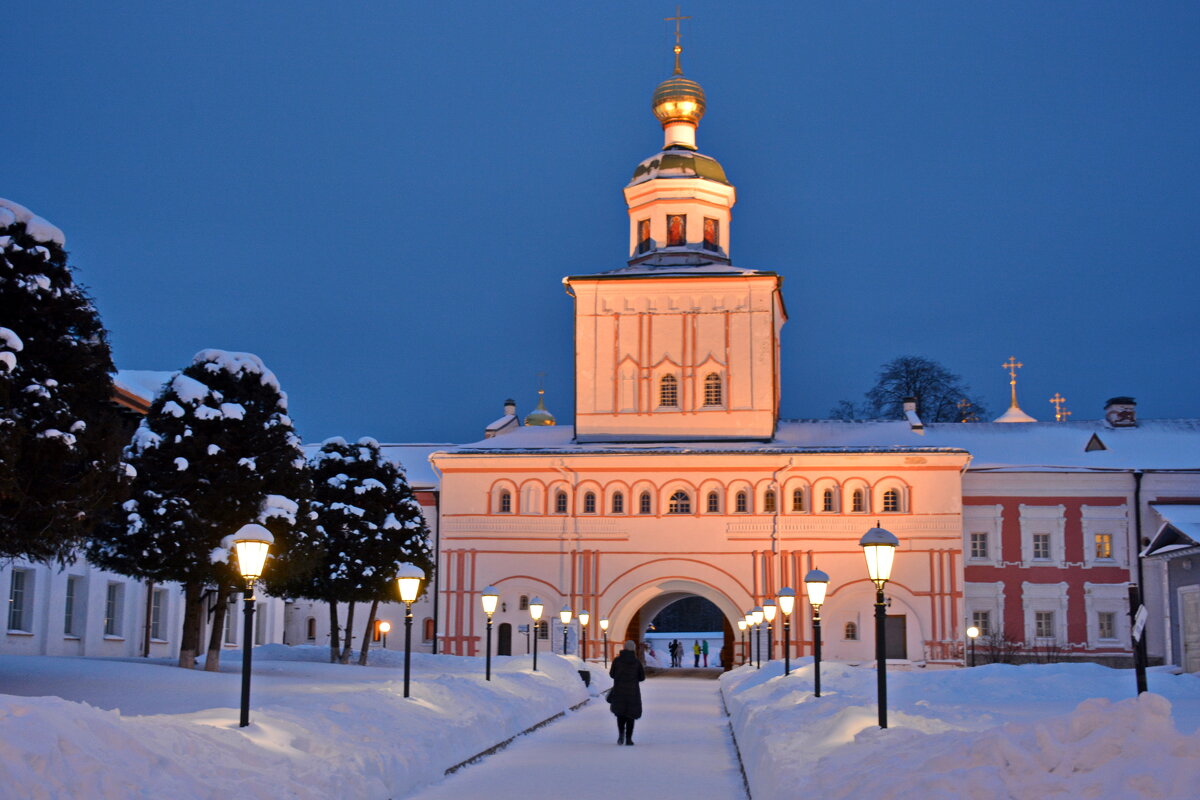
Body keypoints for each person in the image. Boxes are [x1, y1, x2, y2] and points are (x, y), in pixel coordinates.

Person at [608, 640, 645, 745]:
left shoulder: (617, 661)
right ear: (633, 648)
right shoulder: (636, 662)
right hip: (633, 693)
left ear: (624, 648)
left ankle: (620, 736)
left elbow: (612, 674)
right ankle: (629, 739)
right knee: (630, 716)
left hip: (619, 691)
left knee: (620, 715)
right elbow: (642, 677)